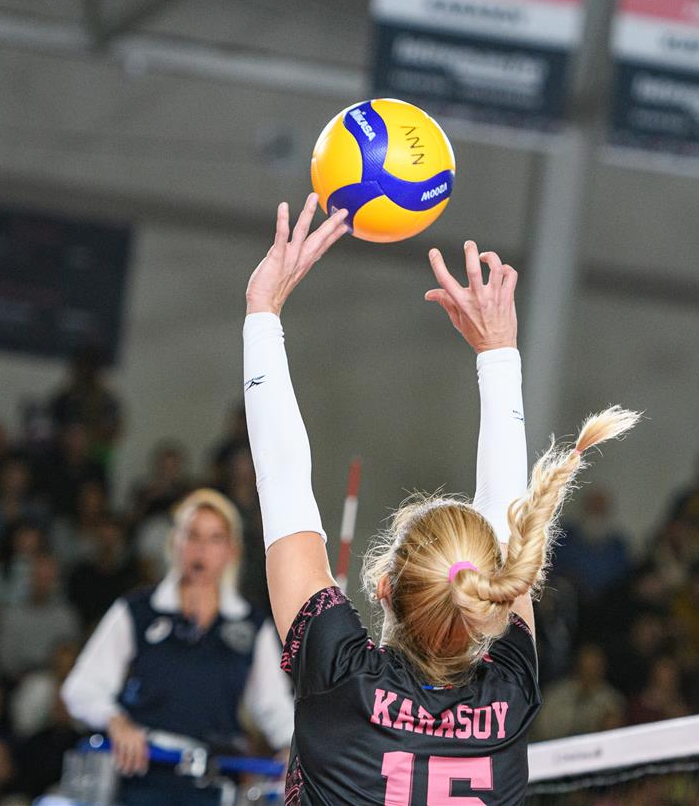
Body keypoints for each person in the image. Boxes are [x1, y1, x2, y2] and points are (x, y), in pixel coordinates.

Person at [240, 195, 637, 804]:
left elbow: (282, 481)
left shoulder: (344, 676)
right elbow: (284, 484)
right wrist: (499, 350)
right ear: (490, 597)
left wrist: (263, 308)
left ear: (382, 586)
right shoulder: (510, 694)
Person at [60, 489, 294, 806]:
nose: (202, 549)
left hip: (213, 779)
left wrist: (294, 747)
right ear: (175, 542)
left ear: (231, 550)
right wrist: (116, 722)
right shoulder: (138, 610)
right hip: (141, 774)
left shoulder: (251, 624)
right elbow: (80, 688)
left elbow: (273, 707)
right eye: (193, 535)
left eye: (215, 538)